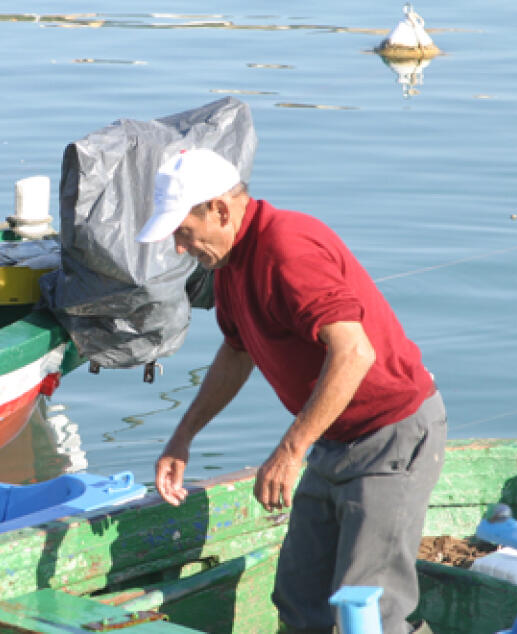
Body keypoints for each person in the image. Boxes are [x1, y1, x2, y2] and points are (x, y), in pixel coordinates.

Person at [137, 148, 446, 633]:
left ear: (220, 209)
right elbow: (237, 352)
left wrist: (290, 450)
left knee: (368, 609)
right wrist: (183, 436)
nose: (179, 247)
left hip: (391, 434)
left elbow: (354, 352)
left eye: (182, 231)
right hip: (333, 438)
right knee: (301, 598)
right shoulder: (231, 265)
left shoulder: (287, 247)